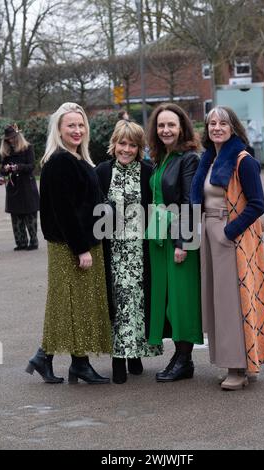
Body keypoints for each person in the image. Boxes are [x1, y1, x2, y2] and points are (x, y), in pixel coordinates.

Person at [191, 106, 264, 391]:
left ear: (233, 127)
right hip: (210, 232)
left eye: (223, 123)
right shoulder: (210, 159)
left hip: (230, 236)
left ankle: (238, 368)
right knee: (218, 302)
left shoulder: (243, 160)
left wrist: (229, 232)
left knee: (232, 303)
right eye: (212, 123)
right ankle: (236, 362)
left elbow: (257, 205)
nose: (216, 127)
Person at [26, 102, 112, 384]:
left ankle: (51, 357)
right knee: (73, 305)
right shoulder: (61, 161)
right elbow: (64, 211)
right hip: (70, 246)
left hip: (82, 242)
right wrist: (81, 248)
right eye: (70, 125)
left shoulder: (77, 158)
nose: (77, 130)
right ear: (59, 130)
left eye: (80, 124)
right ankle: (76, 363)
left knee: (72, 304)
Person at [96, 120, 162, 384]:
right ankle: (118, 359)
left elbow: (157, 207)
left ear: (139, 148)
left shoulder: (148, 172)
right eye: (122, 143)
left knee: (137, 304)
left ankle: (134, 354)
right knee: (119, 303)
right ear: (114, 144)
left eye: (132, 145)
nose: (126, 149)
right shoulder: (101, 172)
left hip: (140, 251)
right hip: (113, 251)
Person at [147, 103, 203, 382]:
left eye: (171, 125)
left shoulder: (189, 158)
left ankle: (185, 360)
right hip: (159, 238)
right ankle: (179, 357)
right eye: (161, 125)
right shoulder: (160, 157)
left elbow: (189, 202)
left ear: (182, 127)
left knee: (182, 300)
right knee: (168, 300)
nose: (166, 130)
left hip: (179, 239)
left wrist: (183, 242)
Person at [0, 124, 40, 250]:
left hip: (27, 186)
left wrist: (17, 167)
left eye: (12, 137)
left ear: (18, 136)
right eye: (8, 139)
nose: (10, 140)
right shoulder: (6, 152)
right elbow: (3, 170)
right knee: (16, 217)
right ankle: (20, 243)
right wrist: (4, 171)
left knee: (29, 215)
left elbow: (31, 166)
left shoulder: (28, 148)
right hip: (13, 188)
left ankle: (33, 242)